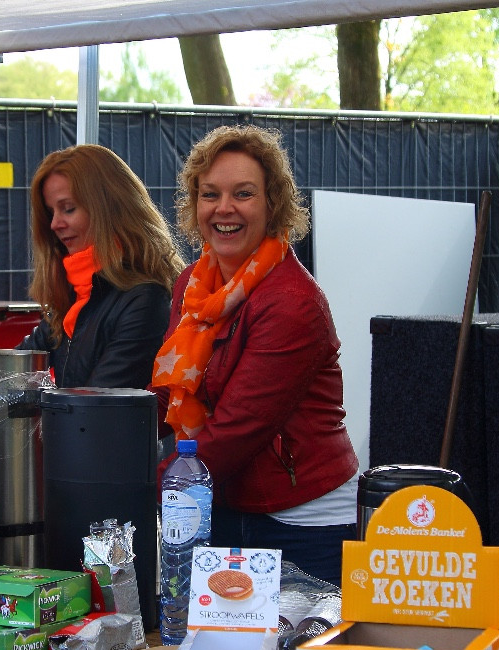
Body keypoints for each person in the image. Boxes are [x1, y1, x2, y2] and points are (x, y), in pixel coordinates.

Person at [151, 125, 359, 586]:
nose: (224, 208)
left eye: (243, 194)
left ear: (272, 205)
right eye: (210, 194)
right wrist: (101, 434)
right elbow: (169, 395)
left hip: (303, 522)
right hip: (222, 500)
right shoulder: (192, 285)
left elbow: (238, 428)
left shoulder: (293, 302)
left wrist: (145, 487)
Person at [16, 144, 185, 389]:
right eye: (51, 212)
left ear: (108, 208)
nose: (54, 224)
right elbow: (12, 369)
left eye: (68, 209)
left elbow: (98, 401)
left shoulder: (145, 299)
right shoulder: (75, 292)